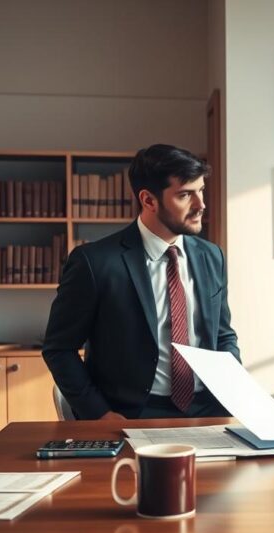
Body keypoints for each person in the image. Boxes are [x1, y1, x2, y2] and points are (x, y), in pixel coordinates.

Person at [43, 144, 239, 420]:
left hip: (210, 411)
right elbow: (59, 348)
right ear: (148, 200)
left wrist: (236, 393)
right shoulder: (94, 262)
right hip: (133, 414)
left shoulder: (211, 256)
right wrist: (101, 414)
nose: (201, 205)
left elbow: (222, 335)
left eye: (201, 190)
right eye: (185, 195)